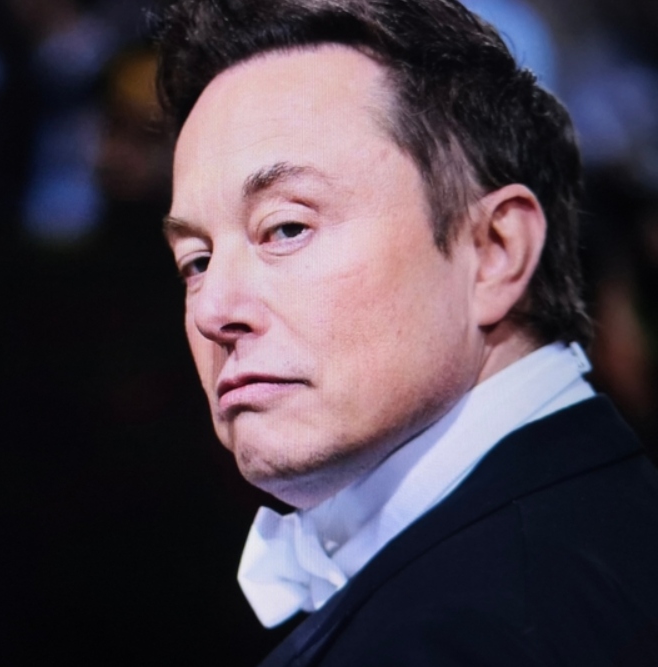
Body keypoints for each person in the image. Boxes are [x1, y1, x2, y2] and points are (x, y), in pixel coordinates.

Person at [152, 0, 658, 665]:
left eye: (287, 228)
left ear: (494, 250)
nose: (212, 310)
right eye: (196, 261)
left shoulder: (469, 635)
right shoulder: (605, 529)